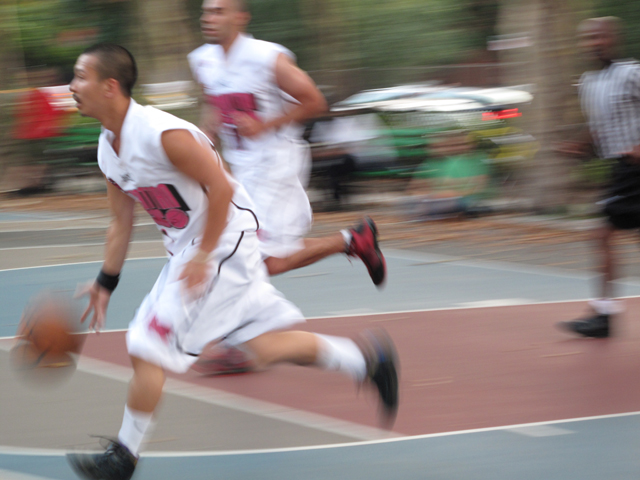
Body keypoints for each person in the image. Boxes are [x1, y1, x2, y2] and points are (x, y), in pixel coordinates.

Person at [65, 44, 398, 480]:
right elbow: (120, 221)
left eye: (80, 76)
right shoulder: (108, 149)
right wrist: (105, 282)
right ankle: (367, 361)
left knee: (147, 344)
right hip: (196, 250)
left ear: (110, 86)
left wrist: (205, 254)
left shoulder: (162, 134)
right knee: (262, 345)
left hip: (221, 244)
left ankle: (123, 458)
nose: (72, 86)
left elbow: (221, 188)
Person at [188, 0, 387, 375]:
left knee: (258, 259)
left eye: (218, 11)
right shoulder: (202, 60)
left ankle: (235, 342)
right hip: (240, 170)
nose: (208, 18)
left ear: (240, 17)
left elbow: (314, 101)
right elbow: (214, 105)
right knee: (246, 255)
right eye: (206, 11)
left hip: (274, 165)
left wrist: (265, 125)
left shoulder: (267, 58)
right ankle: (353, 240)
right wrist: (206, 134)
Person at [558, 17, 640, 338]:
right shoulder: (588, 82)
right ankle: (603, 314)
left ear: (614, 38)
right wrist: (579, 145)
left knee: (601, 233)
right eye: (589, 38)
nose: (594, 43)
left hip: (632, 168)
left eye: (600, 36)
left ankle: (603, 315)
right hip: (620, 168)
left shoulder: (631, 73)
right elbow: (599, 128)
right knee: (608, 235)